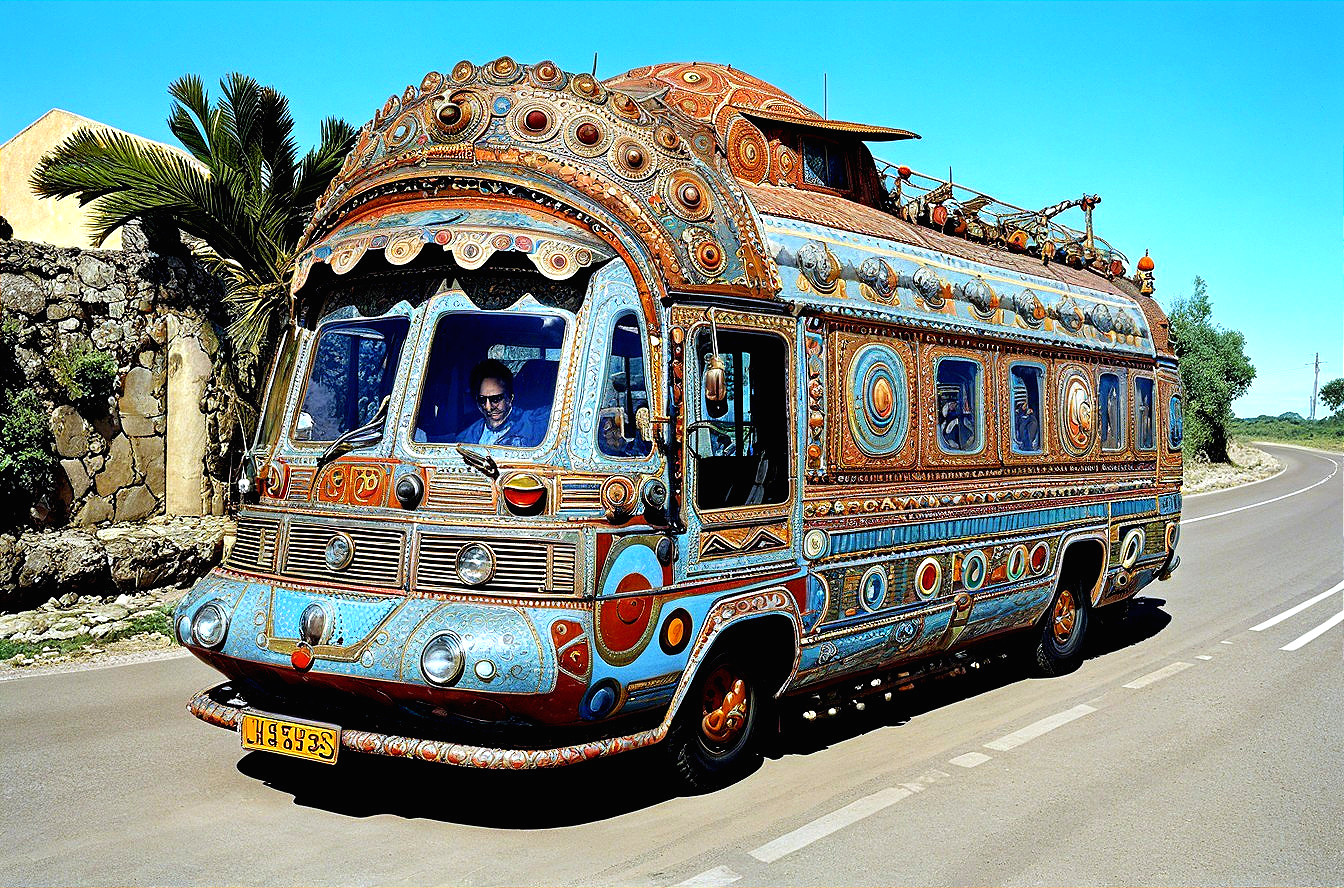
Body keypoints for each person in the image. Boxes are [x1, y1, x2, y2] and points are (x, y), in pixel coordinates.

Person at [456, 359, 548, 447]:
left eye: (495, 399)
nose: (488, 407)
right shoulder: (466, 438)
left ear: (510, 398)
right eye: (482, 400)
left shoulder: (535, 425)